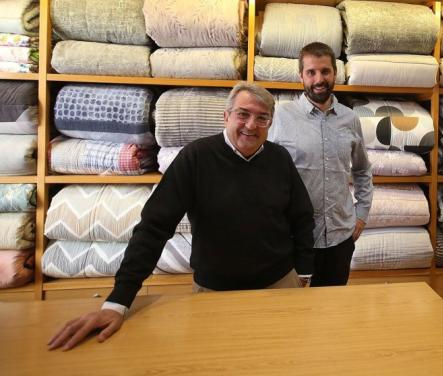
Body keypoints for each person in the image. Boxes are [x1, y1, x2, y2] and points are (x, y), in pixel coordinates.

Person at [48, 82, 315, 351]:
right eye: (243, 114)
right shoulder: (196, 158)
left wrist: (303, 270)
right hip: (214, 293)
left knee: (281, 358)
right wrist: (118, 302)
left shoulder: (279, 158)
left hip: (279, 286)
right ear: (226, 116)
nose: (251, 125)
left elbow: (302, 216)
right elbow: (154, 226)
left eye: (262, 118)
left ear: (270, 123)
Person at [269, 42, 373, 287]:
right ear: (300, 77)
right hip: (296, 239)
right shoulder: (281, 117)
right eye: (311, 72)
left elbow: (362, 170)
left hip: (341, 237)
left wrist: (361, 215)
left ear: (335, 74)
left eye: (325, 71)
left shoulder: (350, 118)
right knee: (295, 313)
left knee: (334, 314)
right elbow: (266, 173)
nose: (319, 79)